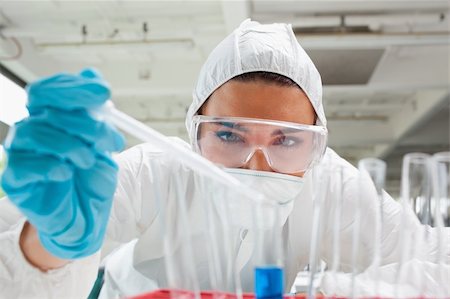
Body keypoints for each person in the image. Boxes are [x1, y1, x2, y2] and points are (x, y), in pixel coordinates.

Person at [0, 20, 447, 298]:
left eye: (286, 141)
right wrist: (47, 245)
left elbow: (433, 261)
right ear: (196, 129)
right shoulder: (156, 169)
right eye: (230, 134)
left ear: (317, 143)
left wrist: (336, 291)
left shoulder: (331, 183)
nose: (257, 164)